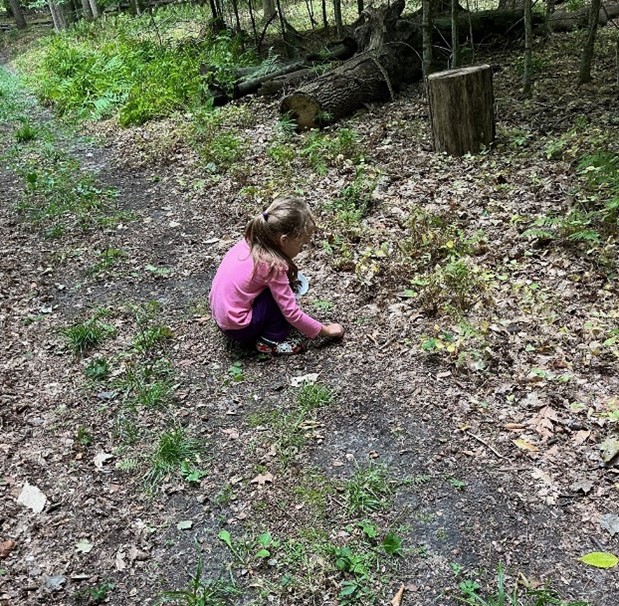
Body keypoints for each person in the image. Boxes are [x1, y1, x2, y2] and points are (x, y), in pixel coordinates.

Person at [209, 196, 345, 355]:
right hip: (239, 328)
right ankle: (270, 341)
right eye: (301, 245)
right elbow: (292, 313)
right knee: (277, 300)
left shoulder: (251, 241)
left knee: (274, 293)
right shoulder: (272, 265)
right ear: (284, 240)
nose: (301, 250)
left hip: (222, 316)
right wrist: (326, 330)